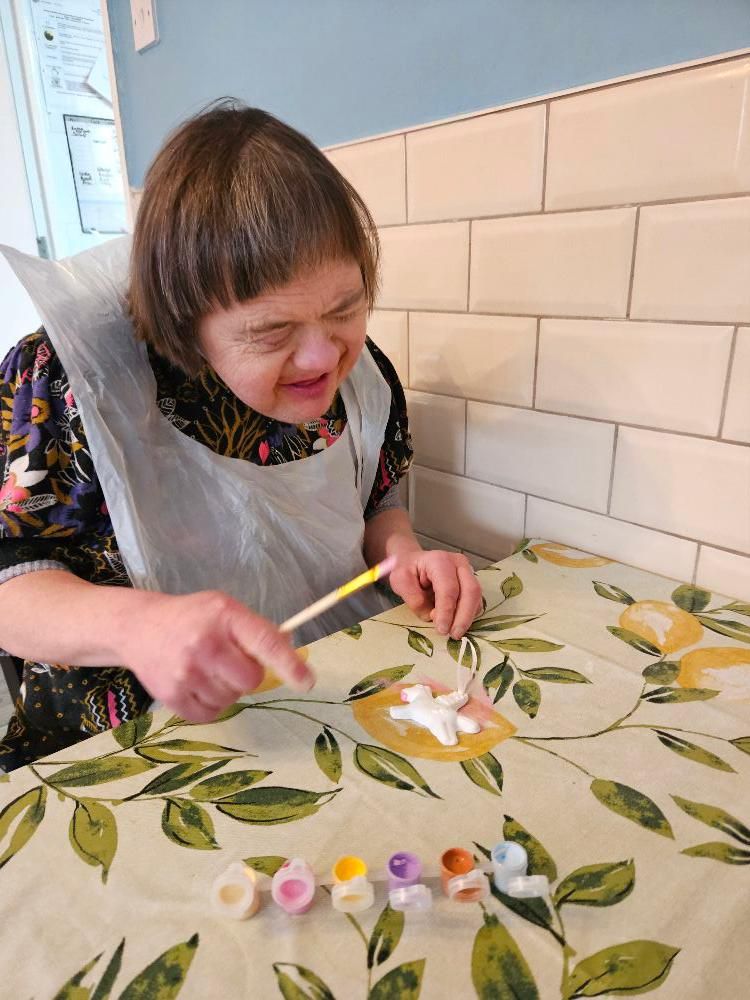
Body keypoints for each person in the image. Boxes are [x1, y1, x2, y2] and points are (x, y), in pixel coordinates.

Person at [0, 103, 482, 771]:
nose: (322, 359)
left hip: (322, 704)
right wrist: (138, 627)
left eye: (345, 308)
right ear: (182, 322)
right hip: (131, 747)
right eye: (271, 333)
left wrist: (401, 552)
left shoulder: (362, 374)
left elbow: (374, 499)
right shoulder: (72, 385)